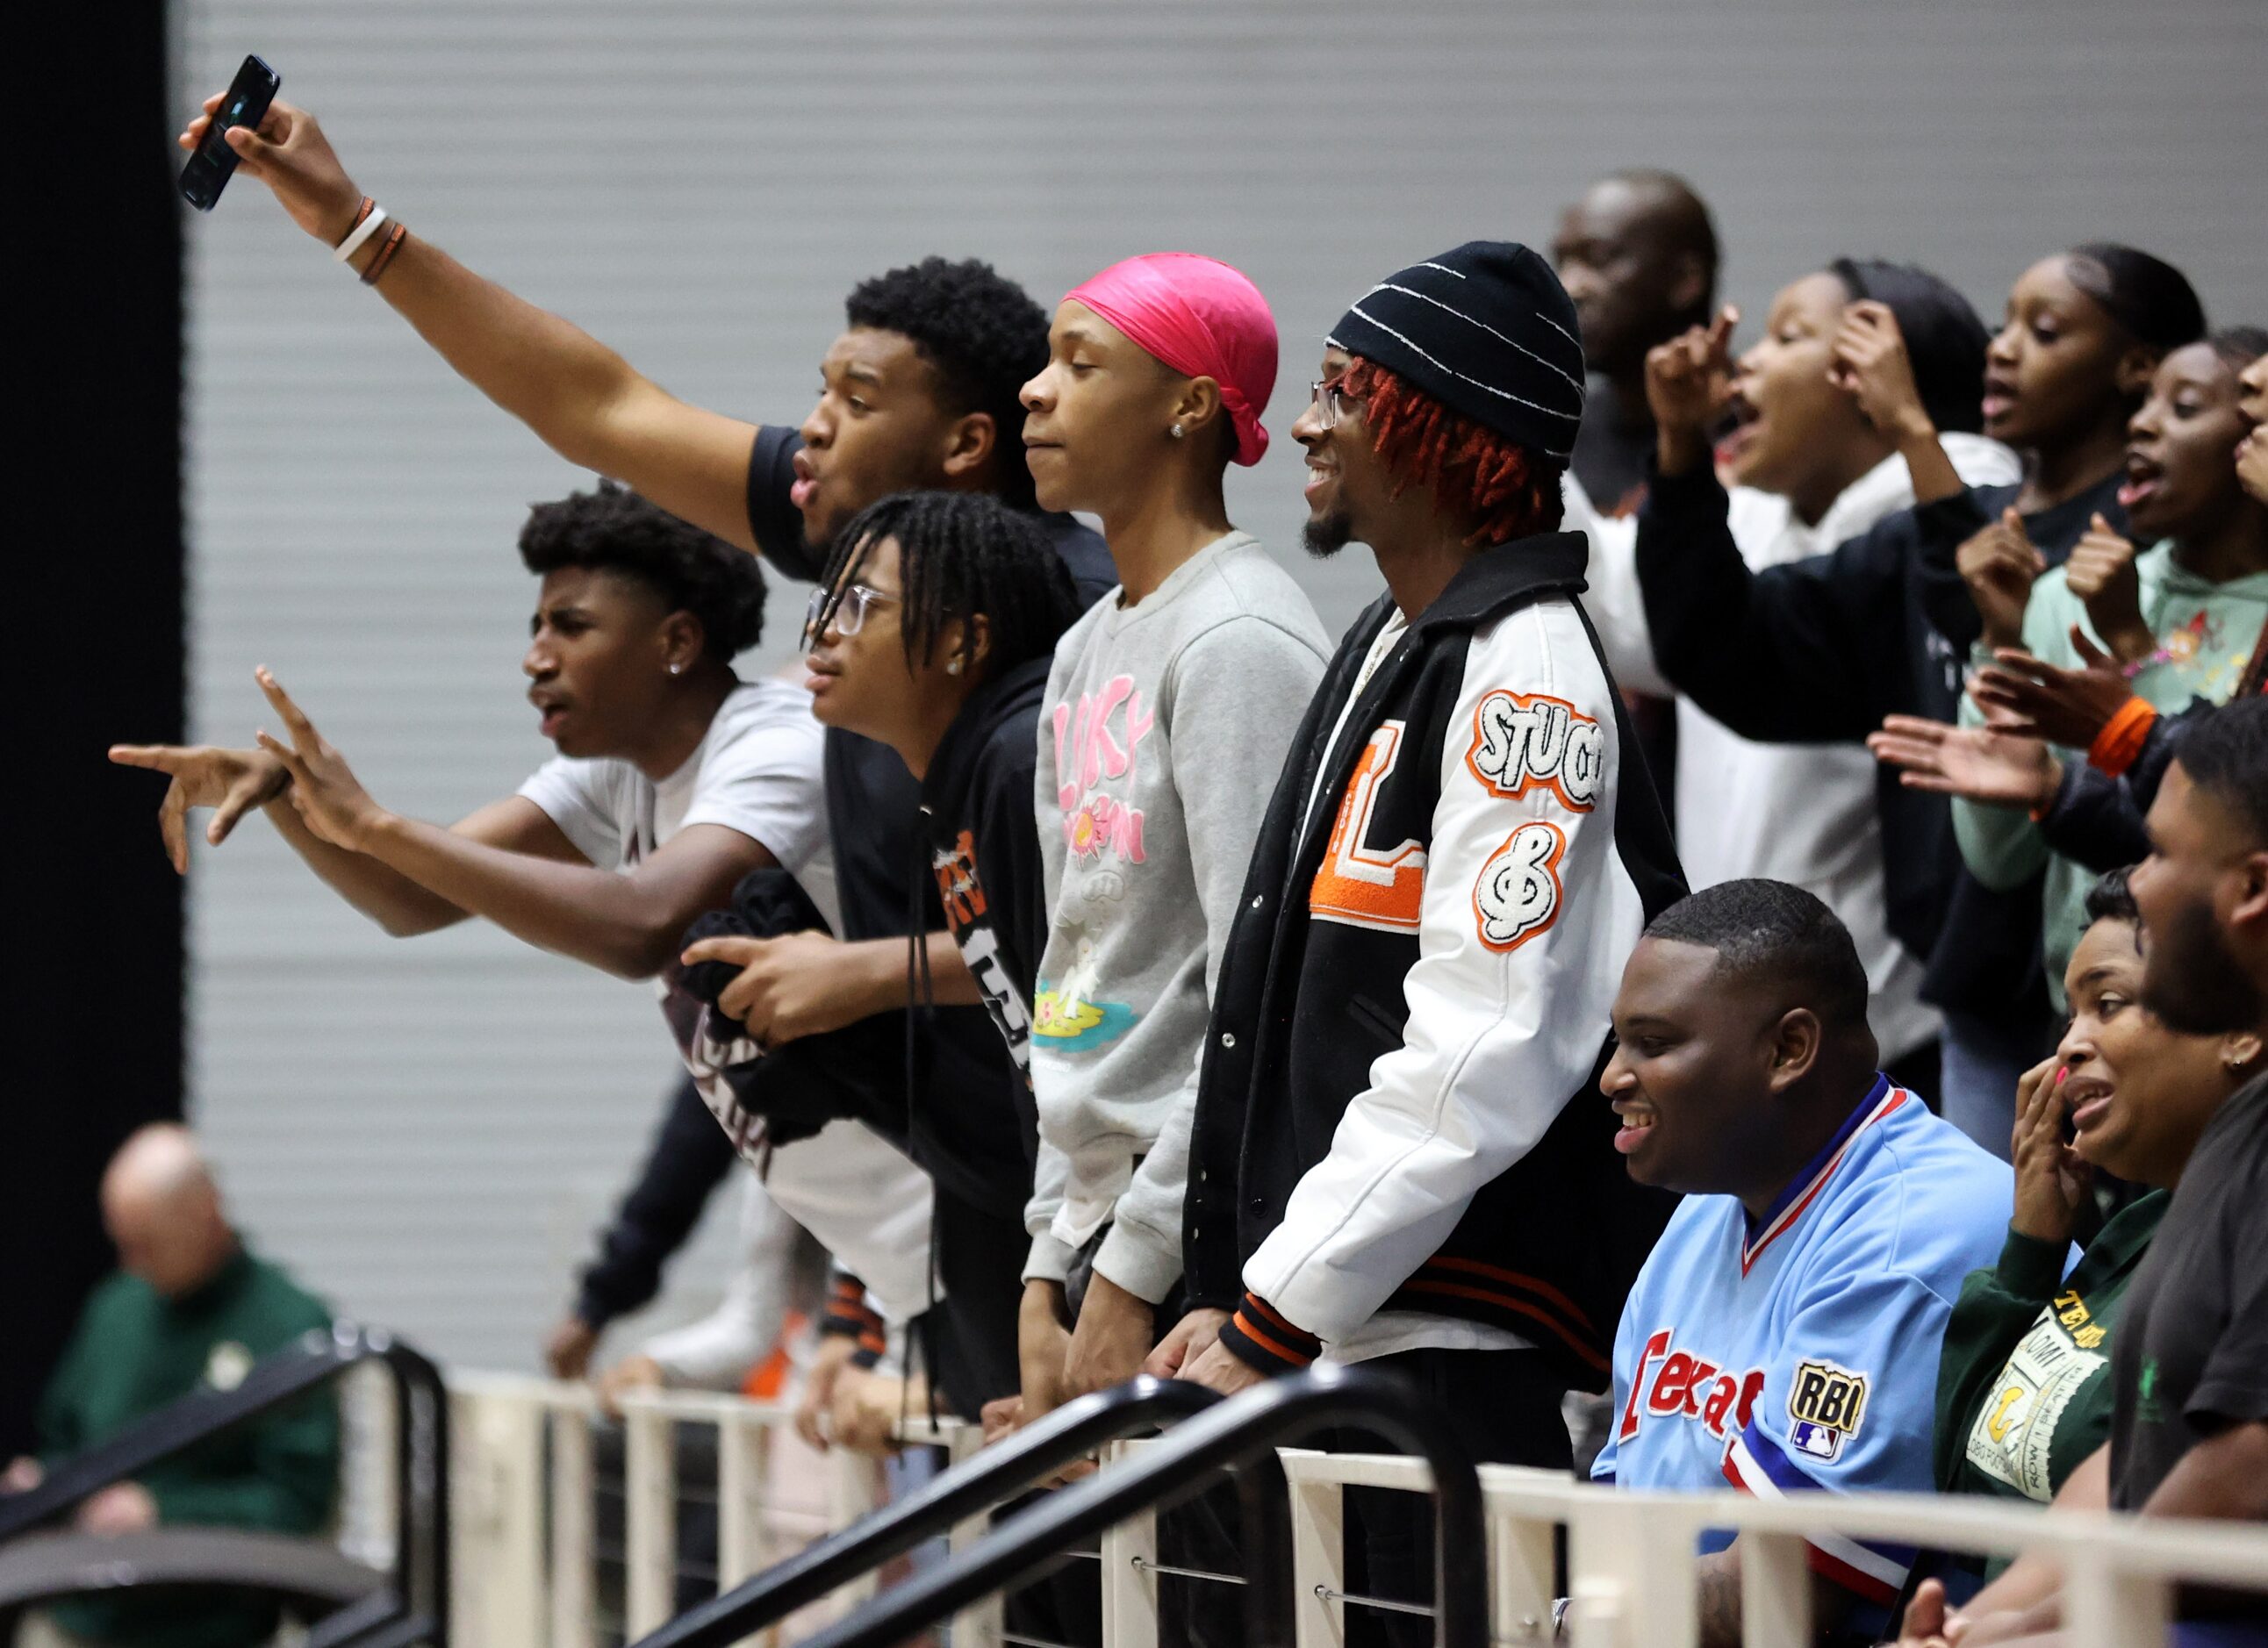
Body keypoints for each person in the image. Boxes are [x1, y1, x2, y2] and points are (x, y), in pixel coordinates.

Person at [176, 83, 1116, 1416]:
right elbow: (595, 404)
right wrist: (355, 225)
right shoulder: (858, 548)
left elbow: (1116, 958)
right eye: (820, 391)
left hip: (1088, 1204)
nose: (818, 424)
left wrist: (865, 977)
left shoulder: (1061, 630)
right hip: (973, 1212)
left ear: (966, 450)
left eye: (856, 395)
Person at [1144, 243, 1682, 1636]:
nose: (1307, 425)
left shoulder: (1529, 670)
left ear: (1442, 430)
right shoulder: (1399, 635)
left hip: (1435, 1376)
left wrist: (1273, 1311)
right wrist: (1250, 1291)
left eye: (1341, 391)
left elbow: (1485, 1048)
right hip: (1339, 1340)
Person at [109, 484, 941, 1383]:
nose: (534, 660)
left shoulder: (771, 744)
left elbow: (640, 924)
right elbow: (407, 898)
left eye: (569, 628)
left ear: (675, 644)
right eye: (536, 627)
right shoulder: (617, 776)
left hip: (958, 1212)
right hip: (890, 1256)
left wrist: (375, 824)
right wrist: (290, 799)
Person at [1630, 246, 2206, 1153]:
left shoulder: (2155, 546)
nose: (2000, 351)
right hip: (1979, 1004)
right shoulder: (1936, 535)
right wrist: (1678, 457)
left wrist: (1907, 429)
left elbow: (2198, 758)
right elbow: (1732, 654)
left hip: (2143, 989)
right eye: (2001, 326)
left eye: (2041, 331)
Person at [1012, 253, 1331, 1425]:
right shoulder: (1089, 643)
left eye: (1078, 363)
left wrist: (1132, 1267)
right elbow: (1076, 971)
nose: (1035, 391)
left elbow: (1261, 987)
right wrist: (1051, 1254)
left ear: (1190, 405)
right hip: (1097, 1229)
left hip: (1195, 1235)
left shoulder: (1239, 639)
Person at [1583, 260, 2018, 1105]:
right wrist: (1674, 455)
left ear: (1871, 377)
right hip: (1751, 1035)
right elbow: (1660, 627)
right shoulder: (1750, 514)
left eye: (1788, 337)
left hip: (1899, 1038)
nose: (1746, 363)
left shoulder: (1960, 516)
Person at [1899, 698, 2268, 1645]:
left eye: (2157, 855)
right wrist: (1982, 1627)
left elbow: (2246, 1469)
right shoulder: (2202, 1173)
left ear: (2252, 889)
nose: (2137, 885)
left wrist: (2039, 1627)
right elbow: (2116, 1478)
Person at [1590, 881, 2010, 1648]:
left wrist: (1555, 1620)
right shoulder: (1705, 1209)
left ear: (1789, 1050)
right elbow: (1622, 1517)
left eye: (1653, 1044)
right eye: (1619, 1042)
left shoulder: (1916, 1232)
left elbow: (1782, 1600)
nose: (1613, 1077)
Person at [1873, 330, 2268, 1004]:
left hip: (2224, 1001)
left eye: (2184, 408)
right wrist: (2000, 637)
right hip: (2081, 1006)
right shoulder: (2066, 593)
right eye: (2144, 403)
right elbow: (1997, 862)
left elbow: (2231, 813)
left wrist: (2130, 641)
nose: (2141, 423)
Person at [1934, 870, 2259, 1533]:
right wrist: (2033, 1240)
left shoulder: (2241, 1245)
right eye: (2070, 1013)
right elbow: (1960, 1481)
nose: (2069, 1045)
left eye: (2108, 1004)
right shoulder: (2139, 1227)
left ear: (2241, 1030)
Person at [4, 1126, 339, 1648]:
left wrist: (164, 1512)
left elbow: (298, 1501)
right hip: (76, 1616)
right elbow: (63, 1437)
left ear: (206, 1212)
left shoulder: (289, 1326)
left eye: (147, 1244)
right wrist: (44, 1484)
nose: (133, 1264)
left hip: (208, 1629)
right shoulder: (117, 1306)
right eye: (124, 1244)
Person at [1551, 168, 1721, 518]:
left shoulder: (1754, 434)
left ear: (1684, 280)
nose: (1569, 286)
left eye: (1598, 258)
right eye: (1562, 262)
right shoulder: (1559, 437)